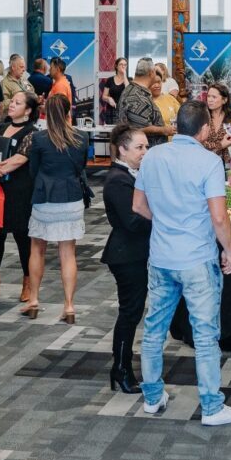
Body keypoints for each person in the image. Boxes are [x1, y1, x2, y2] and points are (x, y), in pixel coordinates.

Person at [133, 100, 231, 427]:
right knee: (205, 334)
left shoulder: (152, 156)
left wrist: (167, 221)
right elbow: (218, 216)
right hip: (197, 258)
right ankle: (211, 406)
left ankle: (153, 398)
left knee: (154, 330)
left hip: (161, 258)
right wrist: (229, 250)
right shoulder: (209, 161)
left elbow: (138, 205)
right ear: (205, 129)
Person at [25, 94, 89, 323]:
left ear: (46, 114)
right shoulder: (82, 137)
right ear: (68, 112)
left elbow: (33, 171)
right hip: (71, 199)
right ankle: (69, 306)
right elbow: (81, 168)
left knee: (37, 249)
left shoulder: (39, 139)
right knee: (68, 253)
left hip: (45, 199)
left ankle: (33, 300)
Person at [102, 123, 151, 395]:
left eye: (146, 146)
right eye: (139, 147)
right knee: (129, 313)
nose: (145, 151)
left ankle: (122, 368)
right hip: (126, 254)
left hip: (133, 251)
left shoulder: (131, 174)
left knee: (132, 312)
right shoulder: (118, 180)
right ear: (122, 149)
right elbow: (132, 221)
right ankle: (121, 369)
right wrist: (162, 218)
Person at [0, 90, 39, 302]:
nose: (11, 105)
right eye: (12, 101)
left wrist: (0, 169)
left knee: (22, 237)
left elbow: (21, 158)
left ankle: (28, 282)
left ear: (27, 110)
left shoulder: (31, 132)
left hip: (19, 191)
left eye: (17, 103)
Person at [119, 58, 172, 145]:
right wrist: (163, 130)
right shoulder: (138, 97)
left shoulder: (130, 89)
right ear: (151, 73)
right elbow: (138, 130)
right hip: (144, 153)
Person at [202, 83, 231, 164]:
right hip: (204, 163)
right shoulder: (202, 117)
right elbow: (197, 144)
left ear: (224, 100)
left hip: (226, 166)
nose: (210, 100)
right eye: (208, 96)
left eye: (214, 97)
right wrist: (221, 145)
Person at [99, 56, 129, 124]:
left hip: (124, 111)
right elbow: (104, 96)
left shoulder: (129, 80)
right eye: (121, 64)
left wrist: (124, 75)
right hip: (112, 110)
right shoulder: (110, 80)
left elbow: (128, 91)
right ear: (116, 66)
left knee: (123, 133)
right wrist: (109, 99)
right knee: (111, 132)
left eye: (125, 65)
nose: (123, 66)